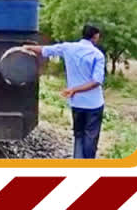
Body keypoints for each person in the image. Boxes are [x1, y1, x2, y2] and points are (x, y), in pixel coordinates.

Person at [23, 24, 106, 159]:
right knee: (91, 137)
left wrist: (27, 47)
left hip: (76, 103)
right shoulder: (97, 55)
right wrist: (75, 89)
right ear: (95, 36)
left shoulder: (68, 48)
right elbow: (97, 81)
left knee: (78, 135)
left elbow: (45, 50)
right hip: (94, 104)